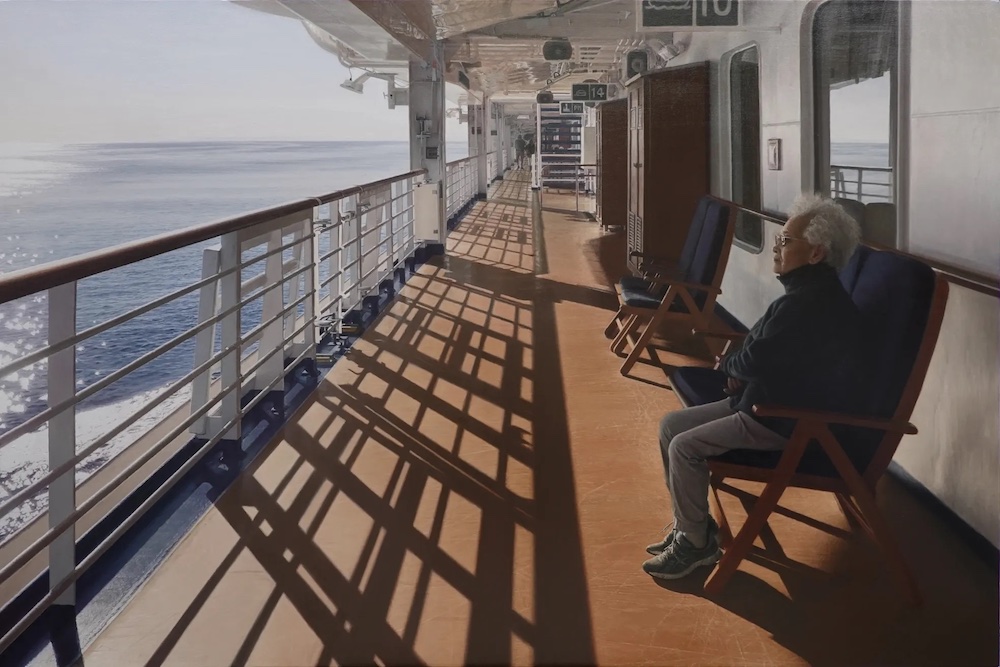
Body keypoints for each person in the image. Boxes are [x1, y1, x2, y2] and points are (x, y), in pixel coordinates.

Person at [642, 193, 863, 580]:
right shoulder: (807, 295)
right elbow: (766, 353)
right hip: (762, 400)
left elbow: (754, 358)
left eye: (786, 240)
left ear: (816, 253)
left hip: (780, 419)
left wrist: (734, 367)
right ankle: (691, 525)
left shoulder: (804, 305)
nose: (777, 246)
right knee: (670, 425)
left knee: (684, 447)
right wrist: (743, 370)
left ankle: (694, 544)